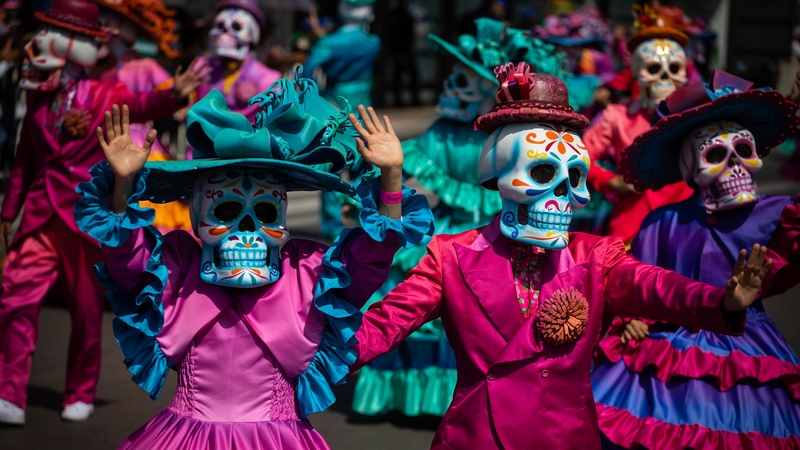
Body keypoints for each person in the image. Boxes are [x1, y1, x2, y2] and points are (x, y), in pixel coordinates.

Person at [352, 61, 771, 450]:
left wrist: (721, 301)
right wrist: (306, 353)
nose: (564, 197)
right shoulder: (451, 256)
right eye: (541, 174)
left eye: (574, 179)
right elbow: (384, 324)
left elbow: (656, 286)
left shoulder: (595, 257)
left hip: (565, 437)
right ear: (499, 178)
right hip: (478, 436)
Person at [72, 75, 433, 449]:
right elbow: (129, 263)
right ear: (198, 219)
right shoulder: (179, 268)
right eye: (226, 209)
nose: (248, 229)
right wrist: (122, 188)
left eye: (265, 211)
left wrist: (390, 178)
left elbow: (369, 262)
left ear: (283, 219)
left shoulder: (306, 273)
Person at [0, 0, 209, 425]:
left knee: (85, 309)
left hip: (84, 216)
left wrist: (175, 92)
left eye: (53, 32)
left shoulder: (104, 93)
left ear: (84, 46)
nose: (40, 42)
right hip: (41, 216)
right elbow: (24, 156)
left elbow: (143, 103)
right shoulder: (36, 94)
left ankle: (80, 390)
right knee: (14, 297)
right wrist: (9, 211)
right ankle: (9, 391)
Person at [351, 17, 571, 419]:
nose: (452, 85)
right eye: (452, 76)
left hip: (482, 230)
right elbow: (416, 175)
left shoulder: (477, 136)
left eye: (465, 80)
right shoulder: (444, 133)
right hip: (465, 234)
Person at [593, 70, 800, 449]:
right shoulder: (660, 222)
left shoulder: (778, 214)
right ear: (691, 168)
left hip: (746, 347)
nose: (736, 165)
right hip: (665, 345)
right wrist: (632, 318)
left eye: (744, 150)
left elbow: (790, 257)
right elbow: (638, 282)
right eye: (716, 155)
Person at [582, 4, 696, 246]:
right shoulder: (617, 116)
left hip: (684, 227)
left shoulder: (696, 114)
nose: (664, 79)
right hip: (631, 227)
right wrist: (611, 180)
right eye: (653, 69)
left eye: (673, 69)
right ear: (637, 73)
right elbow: (577, 157)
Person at [92, 0, 192, 232]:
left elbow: (173, 92)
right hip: (102, 146)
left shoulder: (144, 66)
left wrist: (183, 101)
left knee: (143, 216)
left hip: (139, 146)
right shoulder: (96, 71)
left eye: (109, 17)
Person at [303, 0, 381, 240]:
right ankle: (366, 221)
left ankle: (333, 229)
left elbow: (308, 72)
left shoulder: (329, 42)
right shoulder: (373, 43)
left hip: (334, 108)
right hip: (363, 108)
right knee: (364, 168)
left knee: (330, 170)